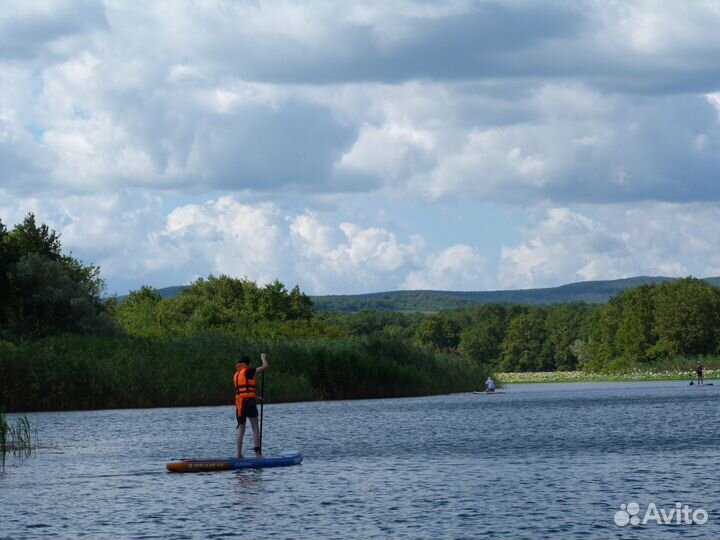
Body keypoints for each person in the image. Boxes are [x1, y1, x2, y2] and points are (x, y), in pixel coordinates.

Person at [234, 353, 269, 458]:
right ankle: (258, 454)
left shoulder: (236, 375)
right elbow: (265, 366)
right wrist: (263, 357)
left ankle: (239, 454)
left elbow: (244, 392)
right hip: (249, 403)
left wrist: (257, 397)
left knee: (241, 429)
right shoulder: (248, 371)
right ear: (246, 364)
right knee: (255, 428)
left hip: (239, 405)